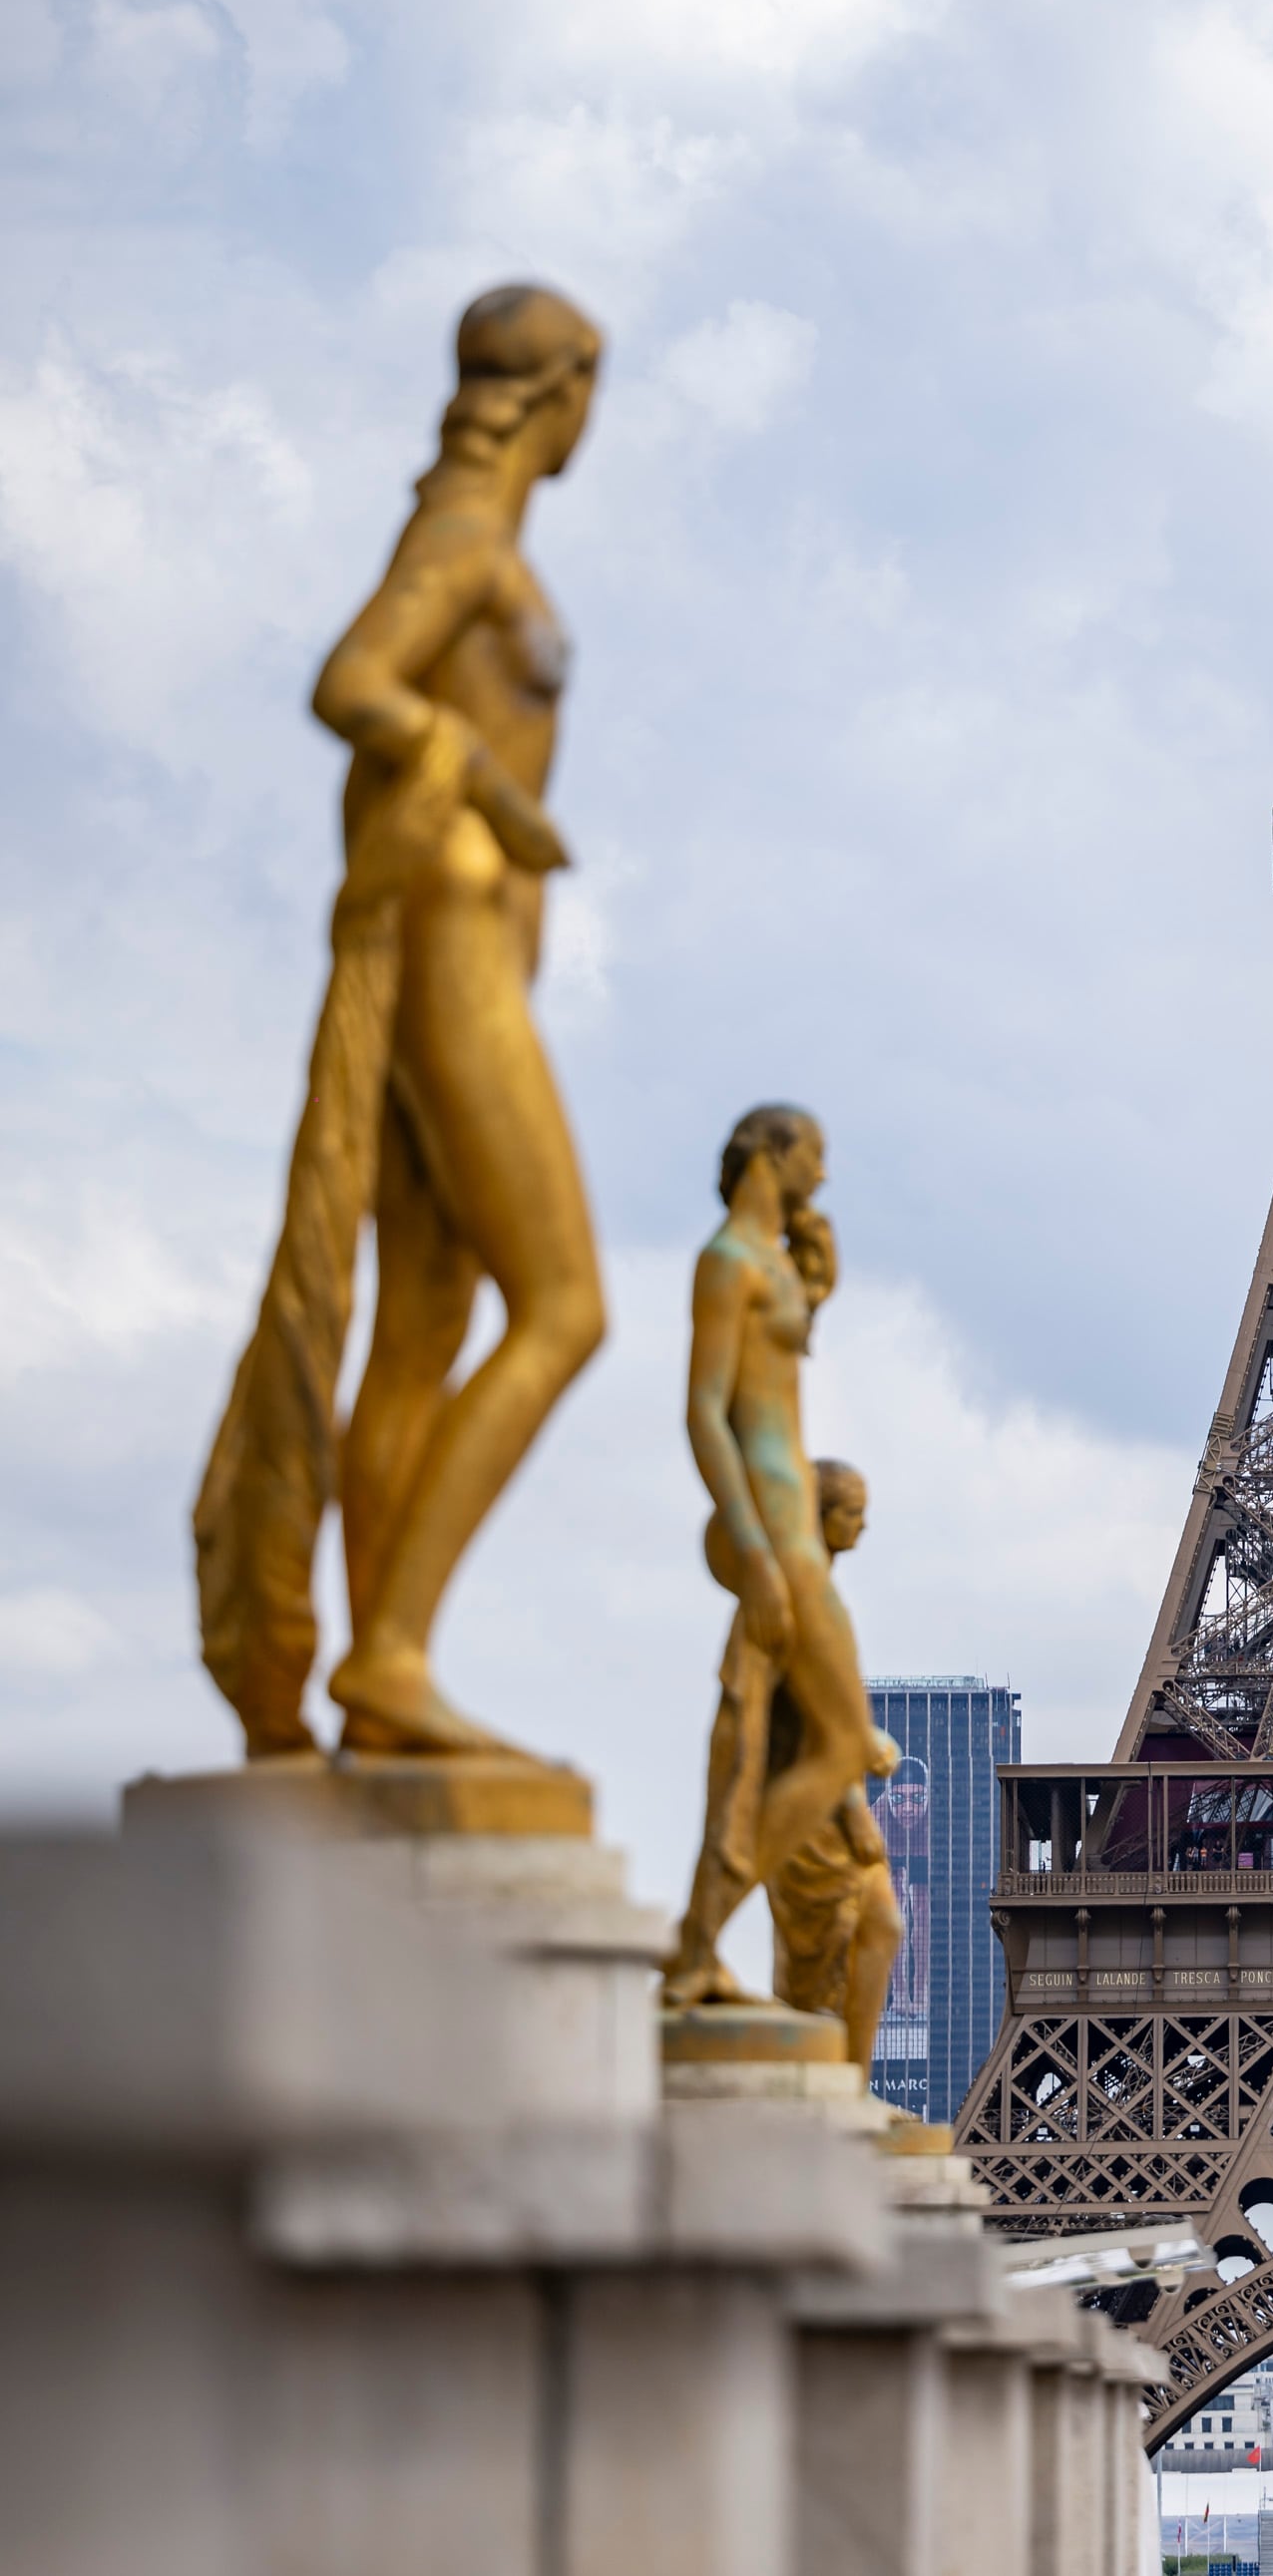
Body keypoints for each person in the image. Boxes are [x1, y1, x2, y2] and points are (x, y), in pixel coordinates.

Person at [195, 284, 611, 1763]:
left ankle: (387, 1678)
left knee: (424, 1326)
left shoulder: (480, 536)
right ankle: (388, 1650)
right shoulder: (465, 540)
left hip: (466, 927)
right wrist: (499, 798)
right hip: (452, 932)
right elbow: (352, 679)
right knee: (567, 1303)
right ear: (561, 389)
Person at [685, 1103, 887, 2019]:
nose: (825, 1174)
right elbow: (706, 1412)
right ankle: (695, 1939)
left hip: (792, 1526)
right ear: (770, 1153)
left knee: (813, 1734)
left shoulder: (768, 1263)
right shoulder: (726, 1261)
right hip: (775, 1523)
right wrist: (757, 1553)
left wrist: (818, 1270)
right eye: (816, 1154)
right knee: (841, 1736)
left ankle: (697, 1937)